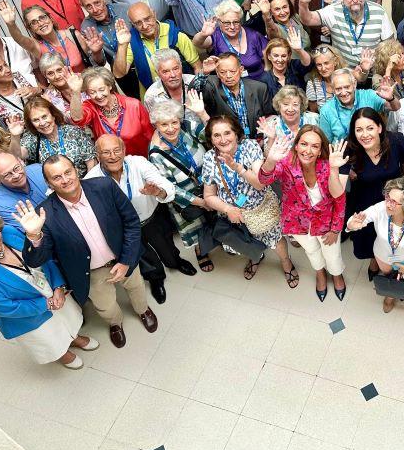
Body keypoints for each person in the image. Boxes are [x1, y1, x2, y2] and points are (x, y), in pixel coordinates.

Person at [16, 155, 157, 349]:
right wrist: (33, 236)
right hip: (90, 272)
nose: (65, 180)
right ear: (48, 183)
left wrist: (126, 261)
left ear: (76, 170)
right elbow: (35, 260)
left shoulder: (104, 186)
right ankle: (115, 323)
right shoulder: (44, 214)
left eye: (68, 172)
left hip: (123, 257)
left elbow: (131, 223)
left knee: (136, 286)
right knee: (105, 305)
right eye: (57, 177)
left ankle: (143, 310)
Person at [0, 208, 96, 369]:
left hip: (52, 292)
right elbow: (6, 308)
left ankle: (74, 338)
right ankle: (63, 354)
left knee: (66, 320)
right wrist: (47, 304)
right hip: (27, 316)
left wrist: (58, 286)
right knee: (50, 337)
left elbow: (44, 257)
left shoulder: (9, 232)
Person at [86, 134, 193, 304]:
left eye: (117, 150)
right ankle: (156, 278)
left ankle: (175, 262)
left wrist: (158, 192)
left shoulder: (138, 163)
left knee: (166, 245)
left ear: (124, 150)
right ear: (97, 155)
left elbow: (164, 184)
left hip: (152, 217)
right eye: (106, 152)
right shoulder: (91, 179)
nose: (113, 156)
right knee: (143, 256)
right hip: (126, 229)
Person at [256, 126, 347, 301]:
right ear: (296, 146)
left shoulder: (329, 165)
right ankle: (320, 273)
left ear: (320, 150)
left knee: (332, 254)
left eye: (314, 146)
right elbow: (263, 180)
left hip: (327, 224)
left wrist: (335, 229)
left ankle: (336, 275)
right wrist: (270, 160)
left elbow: (339, 199)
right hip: (298, 224)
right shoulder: (286, 163)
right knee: (312, 251)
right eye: (304, 144)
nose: (308, 150)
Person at [200, 115, 292, 284]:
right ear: (211, 139)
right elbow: (209, 196)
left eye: (227, 133)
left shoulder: (249, 147)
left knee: (276, 240)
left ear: (236, 133)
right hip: (235, 216)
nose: (223, 139)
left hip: (261, 208)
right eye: (216, 135)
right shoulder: (208, 158)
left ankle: (286, 262)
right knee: (247, 242)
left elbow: (259, 184)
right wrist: (228, 210)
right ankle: (255, 258)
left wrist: (237, 167)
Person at [335, 108, 404, 276]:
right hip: (365, 199)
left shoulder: (396, 141)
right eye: (359, 130)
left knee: (395, 236)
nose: (365, 134)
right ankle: (374, 261)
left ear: (379, 127)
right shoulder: (349, 149)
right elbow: (337, 192)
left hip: (394, 200)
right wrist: (333, 169)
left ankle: (396, 268)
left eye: (370, 128)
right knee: (370, 235)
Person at [148, 98, 216, 273]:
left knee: (216, 219)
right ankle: (201, 251)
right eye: (164, 125)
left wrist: (202, 114)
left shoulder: (187, 126)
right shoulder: (156, 154)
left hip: (209, 185)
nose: (171, 128)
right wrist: (201, 202)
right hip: (187, 197)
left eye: (174, 122)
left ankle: (221, 240)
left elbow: (213, 135)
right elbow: (170, 189)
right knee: (196, 226)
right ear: (156, 125)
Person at [346, 176, 404, 313]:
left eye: (394, 202)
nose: (388, 204)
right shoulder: (380, 208)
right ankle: (390, 295)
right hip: (383, 256)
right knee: (388, 277)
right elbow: (362, 217)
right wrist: (351, 225)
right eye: (388, 197)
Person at [297, 0, 394, 70]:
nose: (355, 0)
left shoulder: (379, 12)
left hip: (373, 74)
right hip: (344, 76)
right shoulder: (334, 11)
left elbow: (390, 46)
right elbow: (308, 19)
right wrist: (303, 3)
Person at [113, 2, 200, 98]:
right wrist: (122, 45)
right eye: (138, 23)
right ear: (133, 24)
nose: (145, 26)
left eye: (147, 19)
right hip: (153, 100)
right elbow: (119, 74)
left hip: (184, 95)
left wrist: (198, 93)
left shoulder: (176, 35)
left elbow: (197, 67)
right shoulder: (131, 40)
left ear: (154, 14)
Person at [68, 67, 154, 156]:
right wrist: (75, 92)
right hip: (112, 163)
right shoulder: (91, 106)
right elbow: (77, 119)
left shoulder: (134, 105)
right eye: (92, 92)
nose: (98, 96)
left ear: (109, 86)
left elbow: (151, 136)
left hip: (140, 161)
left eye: (101, 90)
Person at [193, 53, 273, 140]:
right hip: (225, 143)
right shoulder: (211, 86)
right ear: (217, 73)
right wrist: (204, 72)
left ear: (241, 69)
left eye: (232, 71)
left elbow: (269, 116)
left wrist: (262, 138)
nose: (228, 76)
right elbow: (193, 91)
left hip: (256, 141)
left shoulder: (259, 88)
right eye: (223, 72)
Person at [317, 67, 398, 143]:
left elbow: (396, 107)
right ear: (333, 89)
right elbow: (326, 142)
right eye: (338, 89)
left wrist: (391, 98)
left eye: (347, 87)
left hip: (371, 148)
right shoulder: (326, 110)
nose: (344, 92)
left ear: (354, 84)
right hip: (343, 154)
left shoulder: (369, 96)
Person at [20, 97, 95, 176]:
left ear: (53, 115)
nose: (42, 123)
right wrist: (15, 136)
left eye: (44, 116)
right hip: (54, 187)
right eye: (36, 120)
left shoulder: (73, 132)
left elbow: (91, 164)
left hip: (83, 183)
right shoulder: (33, 138)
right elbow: (19, 155)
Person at [193, 0, 269, 78]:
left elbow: (267, 55)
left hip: (257, 82)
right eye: (227, 23)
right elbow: (198, 43)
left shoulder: (253, 35)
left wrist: (267, 74)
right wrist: (203, 34)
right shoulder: (216, 35)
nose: (232, 27)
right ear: (219, 22)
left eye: (236, 22)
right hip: (228, 83)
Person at [23, 5, 102, 74]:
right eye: (33, 22)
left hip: (87, 85)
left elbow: (98, 64)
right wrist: (11, 24)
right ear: (31, 29)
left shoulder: (73, 35)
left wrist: (97, 52)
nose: (40, 23)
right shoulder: (38, 47)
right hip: (64, 90)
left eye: (42, 17)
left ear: (50, 18)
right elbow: (19, 39)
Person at [143, 49, 204, 132]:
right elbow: (155, 126)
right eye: (165, 72)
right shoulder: (151, 96)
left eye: (176, 69)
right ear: (158, 73)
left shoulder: (196, 83)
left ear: (181, 67)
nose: (173, 75)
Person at [0, 152, 50, 233]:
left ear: (20, 161)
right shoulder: (1, 205)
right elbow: (33, 231)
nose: (16, 175)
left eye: (16, 168)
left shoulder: (39, 170)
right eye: (7, 175)